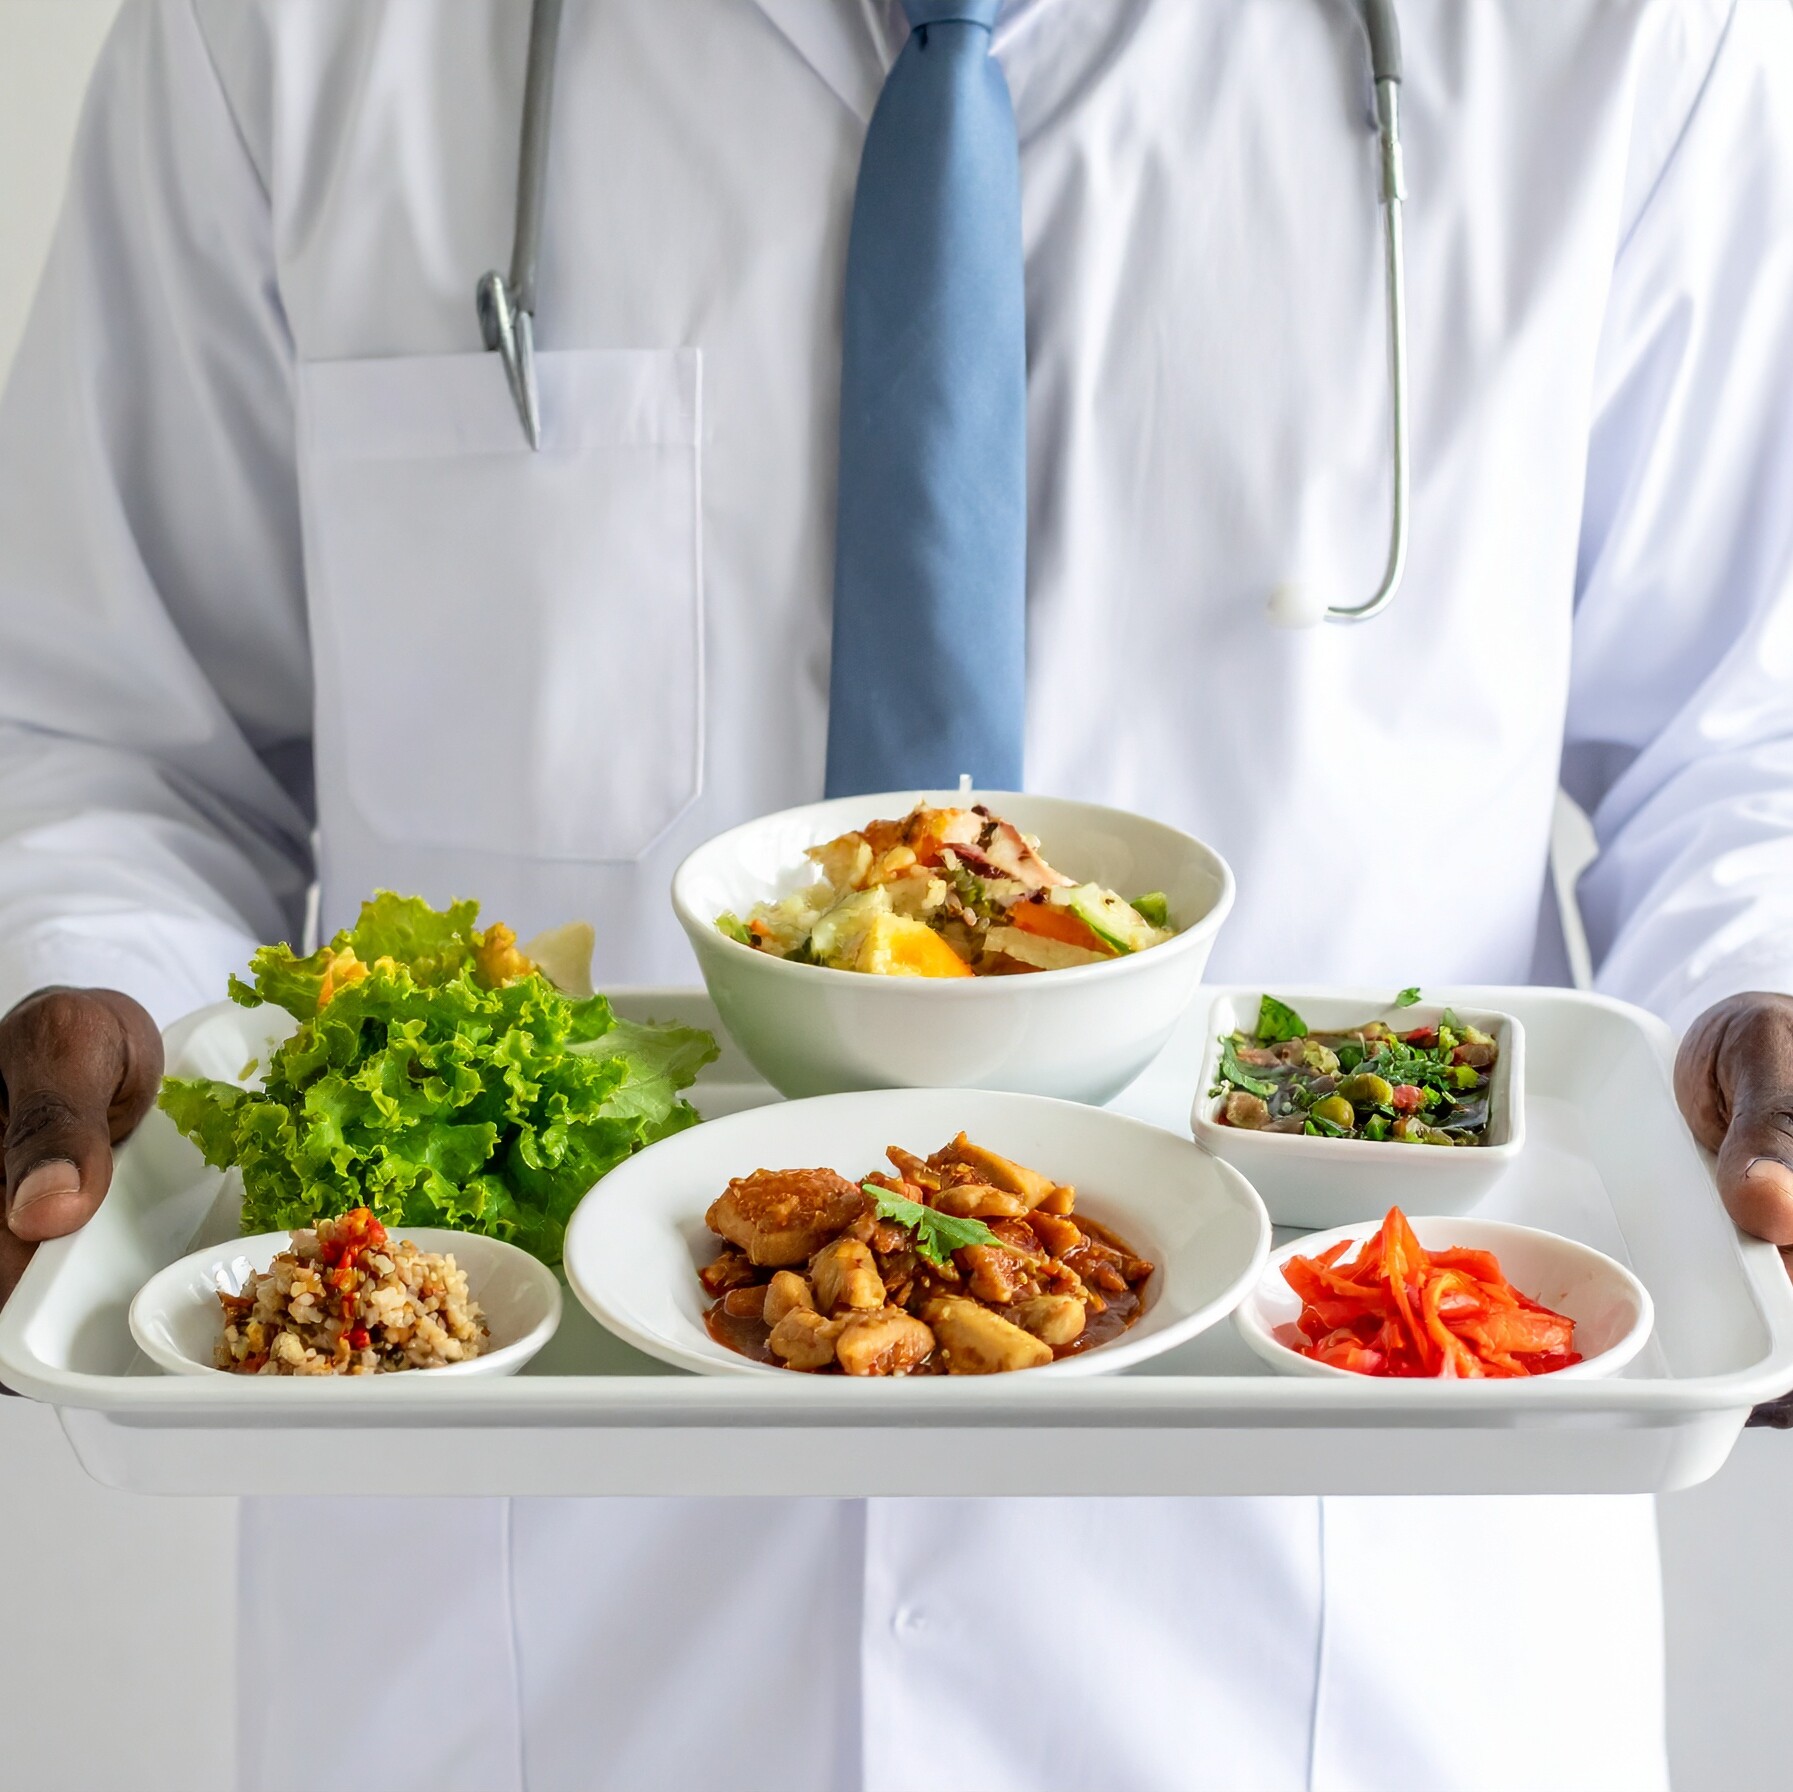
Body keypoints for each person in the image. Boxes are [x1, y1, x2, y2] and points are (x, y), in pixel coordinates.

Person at [2, 1, 1792, 1787]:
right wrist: (75, 980)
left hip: (1333, 1633)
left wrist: (1759, 1000)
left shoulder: (1639, 37)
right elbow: (110, 728)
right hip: (540, 1648)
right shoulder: (277, 35)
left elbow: (1746, 736)